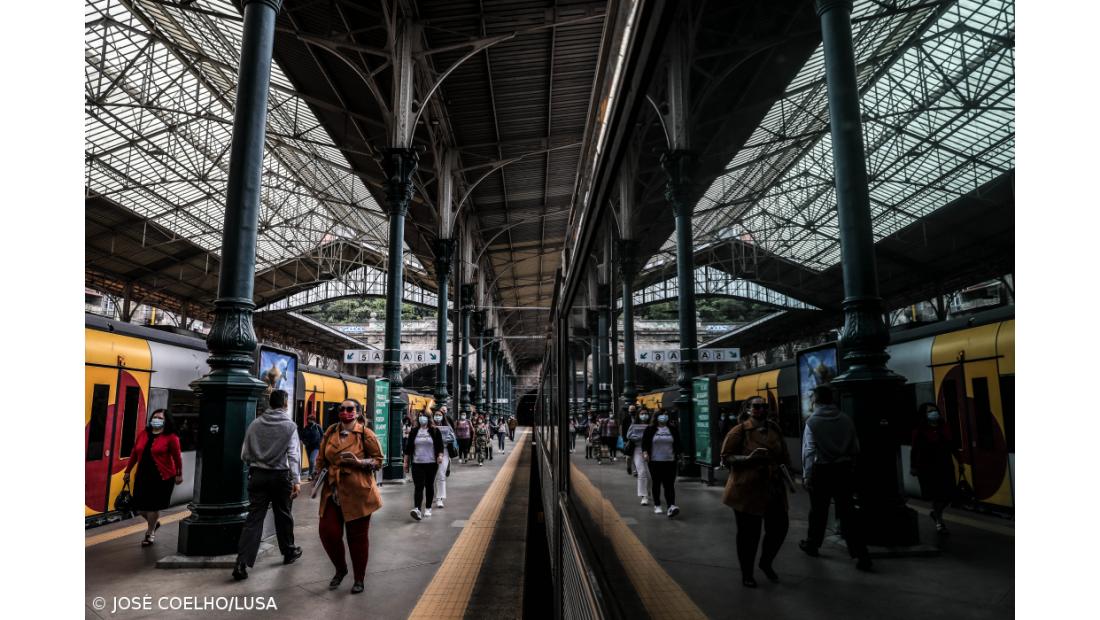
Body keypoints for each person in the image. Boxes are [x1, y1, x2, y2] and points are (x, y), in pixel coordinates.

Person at [720, 396, 792, 588]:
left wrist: (786, 471)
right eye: (756, 406)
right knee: (748, 535)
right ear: (749, 409)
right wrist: (748, 458)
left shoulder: (774, 429)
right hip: (746, 490)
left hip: (773, 488)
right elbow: (725, 458)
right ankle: (747, 573)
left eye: (764, 406)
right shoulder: (739, 431)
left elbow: (784, 455)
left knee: (779, 528)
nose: (761, 409)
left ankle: (766, 562)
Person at [799, 385, 871, 571]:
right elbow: (856, 447)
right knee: (848, 514)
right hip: (843, 471)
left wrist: (807, 476)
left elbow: (809, 452)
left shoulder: (812, 422)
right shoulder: (846, 420)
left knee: (818, 512)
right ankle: (860, 554)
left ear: (816, 400)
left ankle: (813, 544)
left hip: (821, 471)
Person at [315, 399, 384, 594]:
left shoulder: (365, 434)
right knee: (327, 532)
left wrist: (359, 462)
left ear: (357, 412)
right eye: (342, 409)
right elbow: (321, 457)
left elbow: (378, 461)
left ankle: (359, 578)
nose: (345, 412)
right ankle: (341, 568)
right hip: (332, 492)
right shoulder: (330, 432)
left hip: (359, 493)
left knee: (358, 538)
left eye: (349, 409)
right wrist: (318, 471)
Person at [233, 390, 302, 580]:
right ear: (285, 404)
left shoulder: (255, 424)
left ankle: (242, 562)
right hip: (280, 477)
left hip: (258, 475)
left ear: (270, 404)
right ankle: (289, 552)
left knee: (254, 518)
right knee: (283, 514)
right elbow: (293, 456)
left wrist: (257, 463)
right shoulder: (289, 426)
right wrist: (296, 480)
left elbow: (244, 454)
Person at [123, 408, 183, 546]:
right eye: (155, 417)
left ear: (166, 421)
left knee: (152, 507)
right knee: (139, 507)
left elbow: (177, 457)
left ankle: (150, 533)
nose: (156, 420)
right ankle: (154, 523)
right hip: (142, 475)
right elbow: (134, 452)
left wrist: (179, 474)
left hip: (161, 477)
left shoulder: (171, 437)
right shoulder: (143, 434)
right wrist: (127, 471)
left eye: (160, 418)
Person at [911, 402, 956, 534]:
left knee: (948, 495)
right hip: (928, 468)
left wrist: (960, 462)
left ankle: (936, 514)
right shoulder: (919, 431)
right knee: (937, 495)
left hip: (946, 466)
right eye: (930, 411)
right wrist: (913, 467)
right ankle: (939, 521)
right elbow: (915, 450)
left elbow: (951, 445)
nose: (933, 413)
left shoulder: (944, 427)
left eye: (935, 410)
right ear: (924, 414)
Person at [404, 413, 444, 520]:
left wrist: (440, 456)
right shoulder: (414, 431)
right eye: (420, 416)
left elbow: (440, 446)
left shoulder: (435, 431)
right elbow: (408, 449)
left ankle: (428, 508)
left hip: (431, 463)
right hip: (417, 463)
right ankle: (417, 509)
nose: (422, 418)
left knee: (429, 485)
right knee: (418, 486)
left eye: (424, 416)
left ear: (428, 418)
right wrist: (406, 462)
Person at [642, 411, 681, 518]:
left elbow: (677, 443)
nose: (664, 417)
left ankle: (671, 506)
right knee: (657, 483)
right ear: (657, 417)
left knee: (669, 484)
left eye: (666, 414)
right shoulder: (650, 429)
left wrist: (679, 455)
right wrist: (645, 453)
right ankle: (657, 505)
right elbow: (644, 443)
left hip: (670, 461)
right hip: (655, 461)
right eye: (661, 415)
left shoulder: (672, 429)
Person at [625, 408, 652, 505]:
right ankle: (643, 496)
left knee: (649, 475)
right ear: (638, 415)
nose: (644, 415)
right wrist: (638, 437)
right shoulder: (633, 425)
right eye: (642, 413)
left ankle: (647, 491)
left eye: (646, 413)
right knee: (642, 472)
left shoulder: (651, 426)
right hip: (637, 450)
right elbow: (628, 435)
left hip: (650, 451)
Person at [434, 410, 456, 508]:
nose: (437, 417)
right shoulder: (429, 426)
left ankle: (440, 498)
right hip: (430, 453)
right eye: (436, 415)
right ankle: (434, 495)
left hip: (444, 452)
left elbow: (452, 438)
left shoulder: (447, 427)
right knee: (433, 476)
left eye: (439, 415)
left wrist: (441, 439)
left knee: (441, 475)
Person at [301, 414, 323, 481]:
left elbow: (323, 436)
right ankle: (314, 474)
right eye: (308, 420)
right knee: (311, 462)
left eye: (311, 420)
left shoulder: (317, 427)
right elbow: (302, 436)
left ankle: (310, 474)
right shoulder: (306, 428)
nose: (309, 421)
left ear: (314, 420)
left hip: (316, 447)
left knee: (312, 460)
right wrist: (305, 442)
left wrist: (320, 443)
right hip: (308, 447)